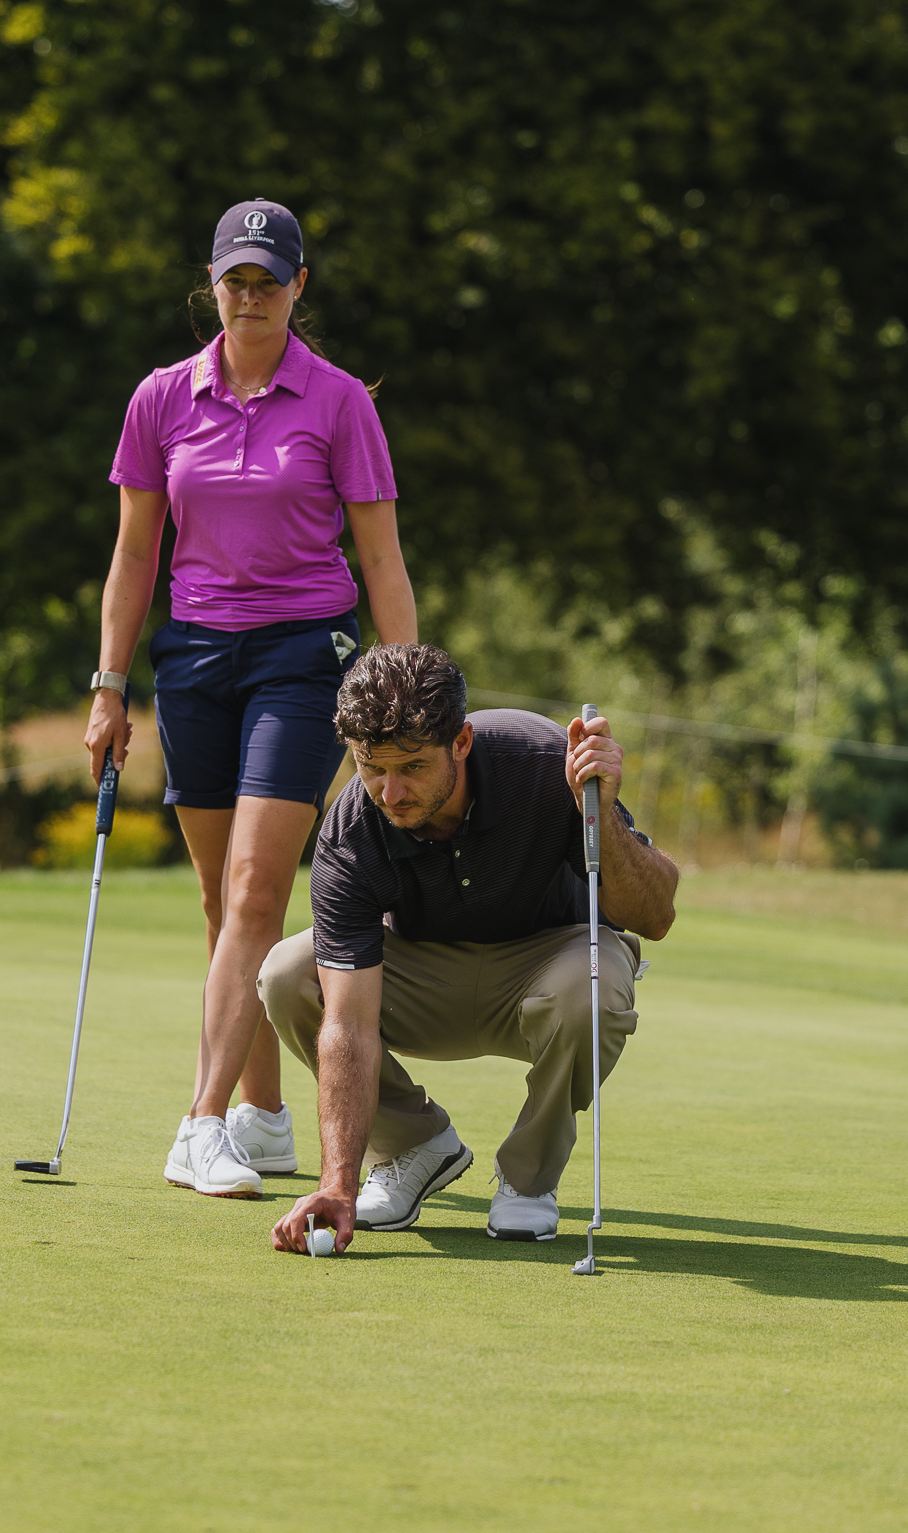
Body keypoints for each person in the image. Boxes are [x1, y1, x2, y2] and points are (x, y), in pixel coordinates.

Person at [84, 198, 418, 1200]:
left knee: (253, 891)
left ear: (298, 286)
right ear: (213, 283)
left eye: (269, 281)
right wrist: (108, 685)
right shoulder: (162, 399)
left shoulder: (339, 402)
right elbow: (135, 554)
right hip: (193, 657)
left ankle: (198, 1123)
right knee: (222, 900)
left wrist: (410, 690)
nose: (251, 296)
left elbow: (381, 558)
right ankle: (264, 1117)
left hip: (302, 656)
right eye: (236, 279)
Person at [257, 645, 680, 1252]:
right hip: (422, 978)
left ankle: (528, 1180)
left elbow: (656, 915)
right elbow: (348, 1024)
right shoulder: (352, 829)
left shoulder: (544, 763)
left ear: (460, 742)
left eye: (412, 767)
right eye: (372, 767)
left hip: (550, 964)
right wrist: (338, 1184)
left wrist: (602, 813)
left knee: (595, 984)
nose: (390, 792)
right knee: (288, 974)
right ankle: (412, 1147)